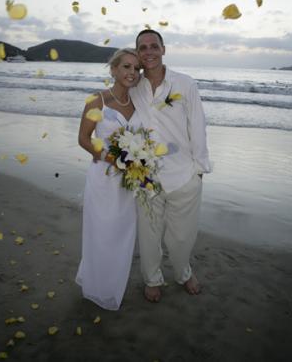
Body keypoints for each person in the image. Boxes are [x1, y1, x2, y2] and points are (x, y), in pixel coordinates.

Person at [130, 29, 211, 302]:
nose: (149, 51)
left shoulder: (185, 84)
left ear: (163, 50)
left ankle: (184, 272)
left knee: (182, 237)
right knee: (149, 235)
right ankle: (152, 278)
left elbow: (197, 126)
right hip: (145, 176)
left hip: (183, 174)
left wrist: (199, 170)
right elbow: (112, 106)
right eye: (143, 48)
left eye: (154, 46)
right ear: (138, 53)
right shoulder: (133, 86)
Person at [75, 48, 141, 310]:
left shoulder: (139, 103)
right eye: (126, 67)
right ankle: (96, 285)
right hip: (103, 177)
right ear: (113, 70)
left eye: (136, 69)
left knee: (122, 234)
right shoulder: (96, 101)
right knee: (101, 232)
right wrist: (110, 158)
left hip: (128, 182)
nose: (131, 73)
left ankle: (114, 285)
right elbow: (83, 139)